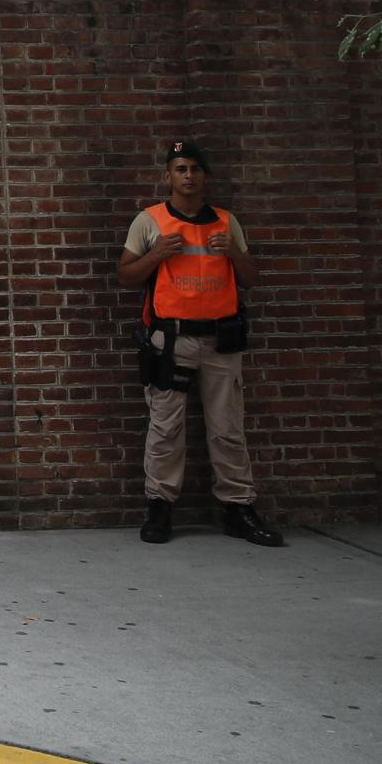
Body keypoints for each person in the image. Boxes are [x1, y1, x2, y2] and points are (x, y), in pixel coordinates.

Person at [115, 140, 286, 547]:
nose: (188, 175)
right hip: (170, 339)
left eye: (194, 168)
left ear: (205, 176)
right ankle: (159, 507)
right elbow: (126, 275)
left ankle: (237, 507)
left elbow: (250, 278)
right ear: (168, 176)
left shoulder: (226, 222)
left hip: (221, 338)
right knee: (165, 428)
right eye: (180, 168)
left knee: (228, 428)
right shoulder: (149, 220)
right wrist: (156, 254)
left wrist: (233, 254)